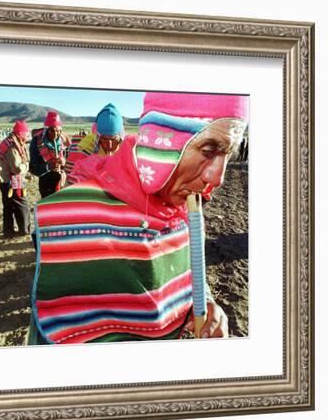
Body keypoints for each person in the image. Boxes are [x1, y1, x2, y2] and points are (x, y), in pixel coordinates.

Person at [28, 91, 248, 344]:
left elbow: (185, 267)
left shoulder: (187, 201)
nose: (217, 179)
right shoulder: (74, 216)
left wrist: (203, 302)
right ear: (164, 142)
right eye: (208, 149)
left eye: (228, 153)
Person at [65, 104, 125, 181]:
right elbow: (73, 183)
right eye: (104, 139)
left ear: (121, 136)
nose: (109, 145)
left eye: (114, 139)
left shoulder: (127, 149)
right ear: (97, 137)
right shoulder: (82, 151)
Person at [0, 120, 32, 237]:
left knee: (8, 205)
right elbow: (17, 169)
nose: (27, 138)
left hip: (4, 179)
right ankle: (24, 230)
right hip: (12, 180)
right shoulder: (13, 146)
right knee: (21, 204)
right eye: (26, 134)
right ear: (21, 134)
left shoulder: (10, 142)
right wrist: (27, 166)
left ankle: (8, 231)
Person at [29, 111, 70, 198]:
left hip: (63, 182)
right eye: (52, 130)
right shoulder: (36, 141)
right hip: (46, 184)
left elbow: (71, 163)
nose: (55, 134)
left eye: (58, 131)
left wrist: (64, 162)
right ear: (46, 129)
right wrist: (48, 167)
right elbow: (33, 168)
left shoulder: (64, 141)